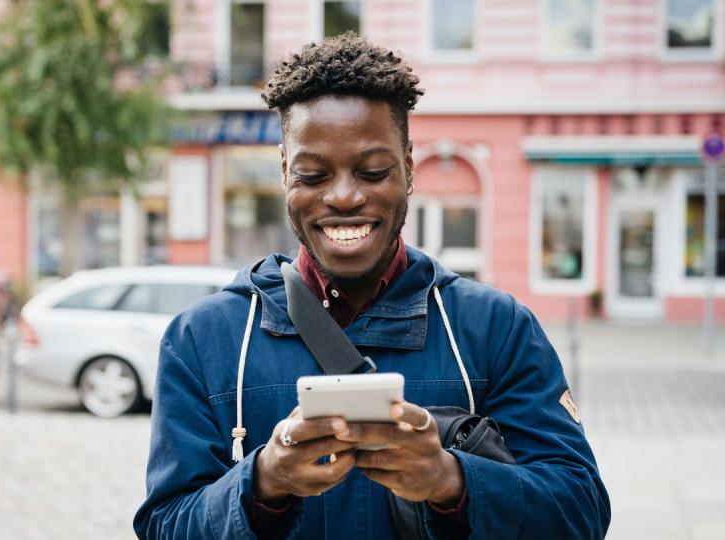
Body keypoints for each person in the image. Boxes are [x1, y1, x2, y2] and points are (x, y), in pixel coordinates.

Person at [134, 35, 610, 539]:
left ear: (408, 166)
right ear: (283, 172)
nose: (344, 196)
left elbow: (579, 512)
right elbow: (164, 526)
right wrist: (263, 483)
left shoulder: (497, 329)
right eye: (314, 174)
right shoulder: (201, 340)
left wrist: (451, 481)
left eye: (373, 171)